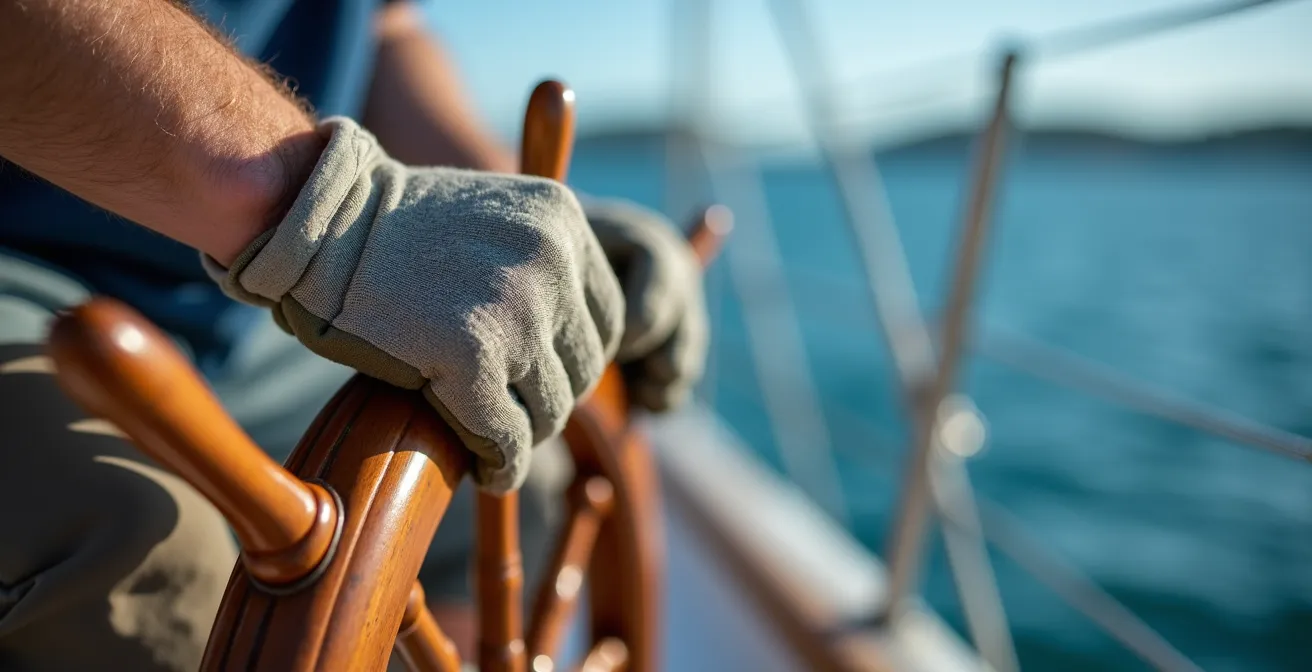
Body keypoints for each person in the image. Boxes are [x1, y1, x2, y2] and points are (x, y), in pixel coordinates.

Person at [0, 1, 708, 669]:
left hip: (234, 304)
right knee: (153, 565)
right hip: (25, 265)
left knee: (512, 476)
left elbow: (381, 27)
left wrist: (534, 225)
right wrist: (331, 207)